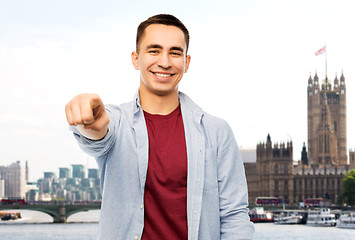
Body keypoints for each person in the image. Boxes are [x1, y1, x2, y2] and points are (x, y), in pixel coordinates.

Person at [65, 14, 254, 240]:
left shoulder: (217, 132)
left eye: (175, 52)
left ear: (187, 62)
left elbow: (234, 216)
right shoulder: (115, 122)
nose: (164, 62)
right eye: (154, 50)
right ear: (136, 59)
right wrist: (88, 125)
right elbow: (97, 136)